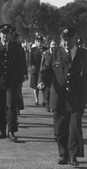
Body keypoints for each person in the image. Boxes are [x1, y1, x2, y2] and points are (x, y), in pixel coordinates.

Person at [38, 27, 87, 166]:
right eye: (63, 40)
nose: (65, 43)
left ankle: (73, 156)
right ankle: (63, 154)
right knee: (60, 129)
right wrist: (42, 81)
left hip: (77, 98)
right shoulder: (54, 53)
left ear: (75, 39)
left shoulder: (84, 54)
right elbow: (45, 71)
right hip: (59, 97)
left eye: (68, 40)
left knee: (74, 127)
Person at [0, 24, 28, 142]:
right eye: (3, 34)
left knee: (11, 106)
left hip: (12, 81)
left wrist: (24, 73)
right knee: (0, 107)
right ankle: (2, 130)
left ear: (10, 35)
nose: (5, 36)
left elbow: (22, 61)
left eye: (7, 34)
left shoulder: (17, 46)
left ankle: (11, 131)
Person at [40, 39, 60, 112]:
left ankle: (53, 105)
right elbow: (42, 66)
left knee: (54, 90)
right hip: (47, 75)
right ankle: (47, 103)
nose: (54, 46)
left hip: (56, 75)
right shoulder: (45, 53)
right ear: (50, 45)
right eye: (52, 44)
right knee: (48, 90)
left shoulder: (59, 54)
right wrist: (41, 79)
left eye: (55, 44)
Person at [29, 35, 48, 106]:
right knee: (35, 86)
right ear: (36, 42)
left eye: (41, 41)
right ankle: (37, 99)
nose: (39, 42)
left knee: (44, 85)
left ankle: (44, 100)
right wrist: (33, 66)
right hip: (36, 70)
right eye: (38, 41)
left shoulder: (46, 49)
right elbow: (30, 60)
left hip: (43, 70)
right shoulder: (33, 49)